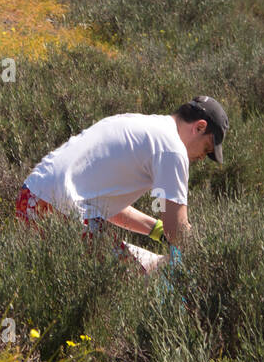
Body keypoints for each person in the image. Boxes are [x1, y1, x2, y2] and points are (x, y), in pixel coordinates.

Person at [16, 96, 229, 260]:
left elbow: (100, 200)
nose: (203, 157)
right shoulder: (172, 149)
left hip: (32, 199)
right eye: (207, 148)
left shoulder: (138, 123)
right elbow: (177, 230)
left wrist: (155, 230)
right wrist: (206, 254)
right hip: (63, 211)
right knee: (135, 283)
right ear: (199, 127)